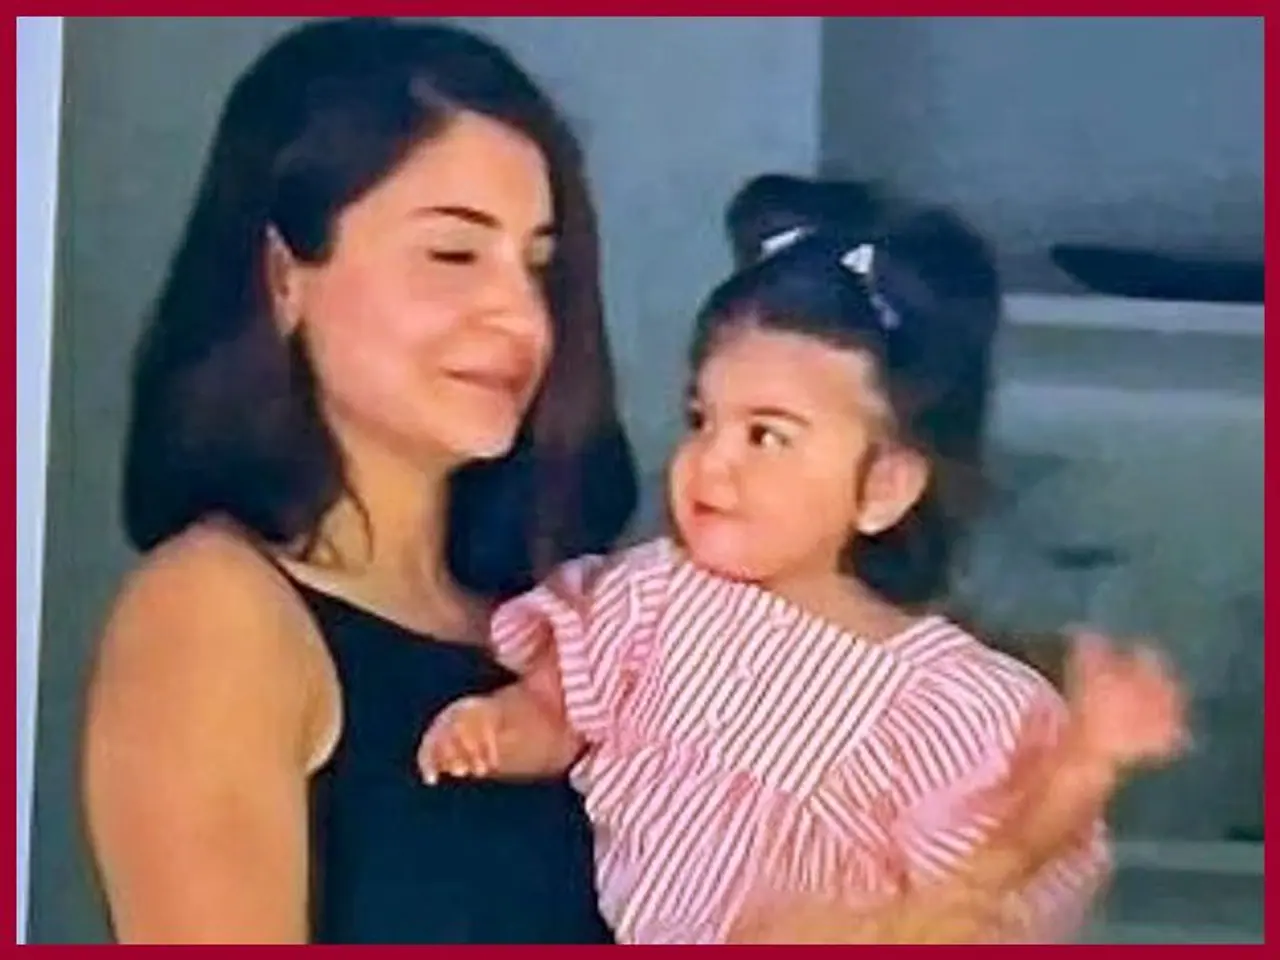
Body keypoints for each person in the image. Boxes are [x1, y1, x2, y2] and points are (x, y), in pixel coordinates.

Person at [417, 198, 1186, 943]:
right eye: (701, 420)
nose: (712, 460)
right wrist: (500, 728)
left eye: (767, 436)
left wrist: (1082, 769)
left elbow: (991, 884)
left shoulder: (941, 702)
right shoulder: (647, 598)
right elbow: (562, 709)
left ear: (883, 487)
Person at [81, 18, 635, 944]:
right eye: (453, 255)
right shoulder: (215, 612)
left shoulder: (564, 625)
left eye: (540, 268)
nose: (521, 317)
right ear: (283, 277)